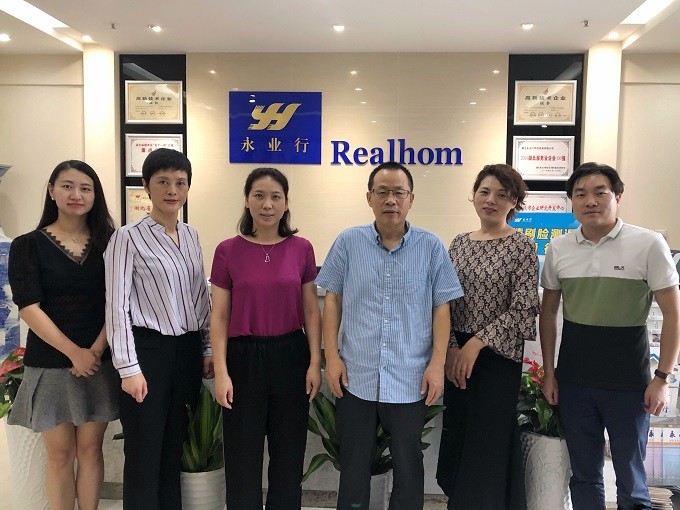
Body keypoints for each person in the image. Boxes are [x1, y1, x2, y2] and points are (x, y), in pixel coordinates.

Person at [316, 161, 463, 510]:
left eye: (399, 192)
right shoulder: (348, 242)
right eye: (382, 192)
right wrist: (332, 357)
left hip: (410, 376)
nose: (391, 200)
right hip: (356, 375)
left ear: (411, 199)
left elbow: (441, 308)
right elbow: (332, 300)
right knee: (353, 463)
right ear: (369, 197)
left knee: (409, 464)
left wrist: (437, 364)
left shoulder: (431, 247)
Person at [540, 162, 680, 510]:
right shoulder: (559, 249)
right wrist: (550, 373)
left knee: (630, 476)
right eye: (580, 194)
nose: (590, 201)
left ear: (617, 196)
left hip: (630, 383)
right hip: (575, 381)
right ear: (572, 202)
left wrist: (662, 378)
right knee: (584, 475)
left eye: (600, 192)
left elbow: (674, 314)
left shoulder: (648, 244)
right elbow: (548, 313)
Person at [104, 148, 213, 510]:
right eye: (163, 181)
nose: (172, 190)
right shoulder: (127, 237)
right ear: (146, 186)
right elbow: (117, 306)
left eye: (180, 182)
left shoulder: (192, 235)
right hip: (147, 353)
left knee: (172, 446)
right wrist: (128, 368)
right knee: (144, 450)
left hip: (186, 352)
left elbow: (201, 297)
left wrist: (207, 348)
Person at [7, 160, 118, 510]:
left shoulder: (110, 243)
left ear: (95, 196)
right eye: (67, 186)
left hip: (99, 360)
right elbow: (29, 308)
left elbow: (119, 302)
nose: (76, 194)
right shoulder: (27, 245)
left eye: (85, 188)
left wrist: (95, 350)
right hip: (51, 362)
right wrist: (75, 353)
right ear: (52, 191)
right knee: (59, 455)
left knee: (91, 450)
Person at [210, 167, 321, 509]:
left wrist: (315, 363)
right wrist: (222, 372)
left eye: (275, 197)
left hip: (291, 354)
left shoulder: (302, 248)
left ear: (286, 203)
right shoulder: (227, 250)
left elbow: (311, 311)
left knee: (289, 453)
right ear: (247, 200)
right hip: (243, 358)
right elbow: (220, 315)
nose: (267, 204)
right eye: (258, 195)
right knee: (242, 456)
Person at [436, 164, 538, 510]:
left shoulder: (521, 246)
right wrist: (452, 347)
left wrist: (475, 345)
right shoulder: (459, 243)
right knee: (459, 435)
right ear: (474, 195)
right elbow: (444, 300)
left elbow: (524, 308)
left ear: (514, 202)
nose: (491, 200)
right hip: (456, 356)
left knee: (487, 442)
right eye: (484, 191)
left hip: (497, 358)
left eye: (501, 194)